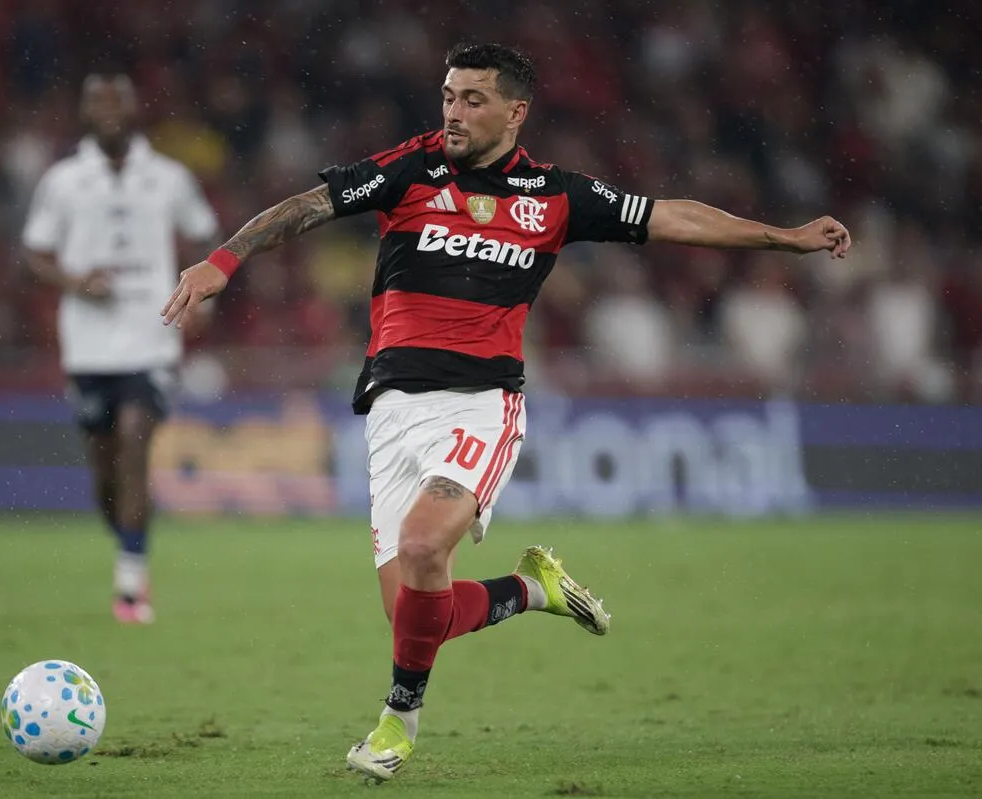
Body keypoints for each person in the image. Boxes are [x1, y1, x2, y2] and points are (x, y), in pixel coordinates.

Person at [160, 42, 852, 781]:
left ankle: (396, 725)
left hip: (481, 404)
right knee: (415, 616)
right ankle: (532, 589)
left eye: (473, 100)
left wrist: (782, 238)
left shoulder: (555, 195)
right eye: (449, 96)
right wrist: (221, 262)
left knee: (426, 547)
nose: (454, 112)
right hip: (392, 408)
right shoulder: (409, 169)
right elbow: (307, 206)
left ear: (515, 111)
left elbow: (670, 216)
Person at [23, 74, 221, 624]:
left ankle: (130, 588)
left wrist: (202, 292)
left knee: (135, 444)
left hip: (151, 339)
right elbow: (35, 253)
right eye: (97, 102)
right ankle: (131, 542)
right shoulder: (63, 181)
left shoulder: (168, 178)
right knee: (105, 478)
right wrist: (74, 281)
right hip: (87, 350)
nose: (108, 111)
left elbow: (208, 235)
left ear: (134, 110)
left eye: (117, 102)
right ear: (84, 111)